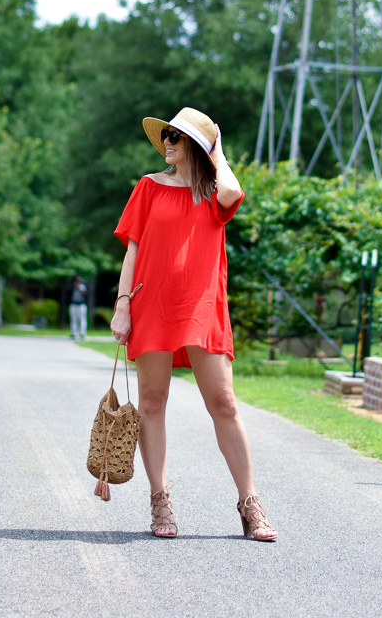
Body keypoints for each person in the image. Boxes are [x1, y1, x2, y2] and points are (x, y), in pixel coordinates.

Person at [110, 106, 277, 542]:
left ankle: (250, 503)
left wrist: (218, 151)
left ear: (196, 146)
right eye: (166, 135)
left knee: (224, 403)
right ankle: (160, 500)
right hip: (153, 303)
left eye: (177, 136)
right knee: (152, 403)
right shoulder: (148, 188)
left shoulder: (213, 192)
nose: (167, 141)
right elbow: (132, 251)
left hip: (203, 307)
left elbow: (232, 191)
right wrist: (122, 305)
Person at [69, 275, 88, 341]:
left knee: (82, 319)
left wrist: (79, 288)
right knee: (73, 319)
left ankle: (82, 333)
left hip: (81, 304)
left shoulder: (83, 285)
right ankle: (73, 333)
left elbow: (86, 294)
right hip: (73, 304)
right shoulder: (72, 285)